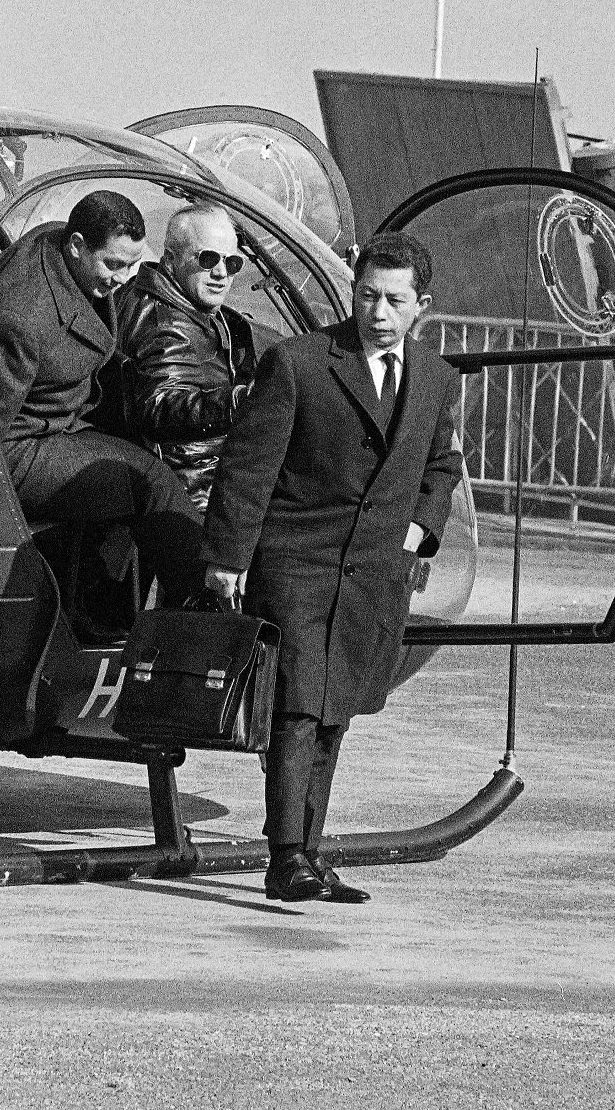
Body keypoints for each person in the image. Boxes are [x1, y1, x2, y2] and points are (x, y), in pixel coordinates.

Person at [201, 231, 464, 904]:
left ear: (420, 306)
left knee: (334, 709)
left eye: (393, 299)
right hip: (297, 561)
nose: (377, 310)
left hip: (376, 570)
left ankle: (309, 853)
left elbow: (441, 465)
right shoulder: (300, 363)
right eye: (367, 294)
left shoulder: (436, 379)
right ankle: (285, 855)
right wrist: (228, 558)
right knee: (296, 705)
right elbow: (248, 465)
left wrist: (416, 533)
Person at [0, 189, 206, 609]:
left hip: (60, 423)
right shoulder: (23, 316)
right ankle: (204, 606)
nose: (123, 278)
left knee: (138, 453)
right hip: (19, 446)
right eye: (114, 264)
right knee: (152, 483)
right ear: (79, 246)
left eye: (133, 264)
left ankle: (103, 602)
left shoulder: (56, 244)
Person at [112, 202, 260, 510]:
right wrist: (235, 401)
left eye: (232, 263)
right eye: (207, 259)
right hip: (194, 494)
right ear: (170, 259)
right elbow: (160, 405)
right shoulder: (166, 324)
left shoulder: (173, 301)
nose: (221, 273)